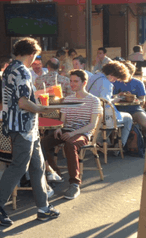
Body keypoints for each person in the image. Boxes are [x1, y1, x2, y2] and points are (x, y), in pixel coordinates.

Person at [0, 38, 60, 227]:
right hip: (24, 127)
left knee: (38, 166)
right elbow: (23, 102)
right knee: (19, 166)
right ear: (32, 54)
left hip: (20, 126)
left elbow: (17, 99)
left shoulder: (10, 69)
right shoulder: (23, 71)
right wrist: (43, 110)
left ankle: (43, 208)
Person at [41, 70, 102, 200]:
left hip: (82, 132)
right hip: (67, 129)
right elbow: (62, 120)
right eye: (71, 81)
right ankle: (55, 174)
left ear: (84, 83)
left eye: (75, 81)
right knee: (41, 143)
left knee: (70, 144)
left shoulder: (93, 100)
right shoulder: (68, 99)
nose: (72, 84)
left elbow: (92, 125)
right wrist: (58, 127)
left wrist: (73, 133)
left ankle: (74, 184)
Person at [86, 61, 133, 147]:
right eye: (115, 78)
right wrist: (115, 100)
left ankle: (102, 140)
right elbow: (105, 102)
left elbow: (98, 96)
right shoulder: (107, 83)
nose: (115, 81)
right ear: (111, 74)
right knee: (128, 118)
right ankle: (120, 145)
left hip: (89, 111)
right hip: (101, 116)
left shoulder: (93, 77)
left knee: (111, 119)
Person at [113, 61, 146, 134]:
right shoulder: (115, 82)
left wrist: (133, 99)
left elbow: (142, 100)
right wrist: (118, 95)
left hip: (134, 109)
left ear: (132, 73)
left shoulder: (138, 83)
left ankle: (144, 141)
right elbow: (109, 97)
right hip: (118, 109)